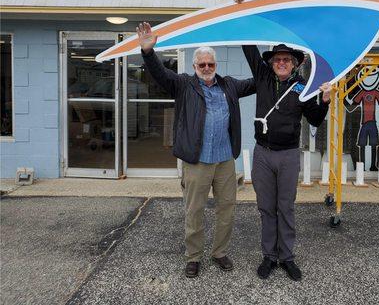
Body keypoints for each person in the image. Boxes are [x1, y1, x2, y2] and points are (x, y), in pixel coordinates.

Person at [137, 22, 255, 278]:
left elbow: (258, 82)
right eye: (201, 64)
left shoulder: (229, 86)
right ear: (194, 67)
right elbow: (160, 75)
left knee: (227, 209)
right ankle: (193, 256)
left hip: (225, 160)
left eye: (210, 64)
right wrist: (148, 52)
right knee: (194, 211)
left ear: (216, 65)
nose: (206, 68)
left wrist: (277, 65)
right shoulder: (183, 85)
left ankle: (220, 252)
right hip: (197, 161)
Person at [242, 43, 331, 281]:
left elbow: (315, 119)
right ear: (271, 63)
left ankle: (287, 257)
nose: (281, 63)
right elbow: (249, 47)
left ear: (294, 63)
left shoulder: (303, 87)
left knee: (286, 208)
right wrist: (243, 8)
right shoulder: (262, 77)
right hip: (263, 154)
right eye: (277, 60)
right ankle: (270, 256)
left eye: (286, 60)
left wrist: (325, 100)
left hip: (289, 155)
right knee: (266, 208)